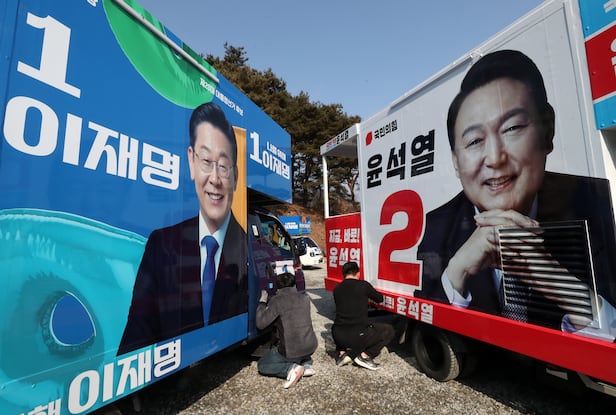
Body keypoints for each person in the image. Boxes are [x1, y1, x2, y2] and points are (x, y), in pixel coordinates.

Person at [416, 49, 616, 331]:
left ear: (547, 130)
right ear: (456, 163)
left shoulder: (599, 203)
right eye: (474, 141)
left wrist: (569, 290)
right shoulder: (438, 227)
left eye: (512, 128)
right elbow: (429, 316)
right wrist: (456, 274)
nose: (495, 158)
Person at [117, 102, 247, 355]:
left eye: (223, 166)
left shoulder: (247, 247)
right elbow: (135, 339)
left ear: (236, 176)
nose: (215, 179)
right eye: (206, 161)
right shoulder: (162, 245)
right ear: (191, 161)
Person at [255, 272, 318, 389]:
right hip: (311, 347)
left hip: (291, 351)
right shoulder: (305, 299)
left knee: (263, 364)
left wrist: (262, 302)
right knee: (301, 350)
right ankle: (306, 365)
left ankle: (291, 369)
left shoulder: (277, 300)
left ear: (278, 287)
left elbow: (261, 324)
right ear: (294, 285)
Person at [332, 261, 395, 370]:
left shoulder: (336, 289)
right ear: (358, 273)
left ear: (344, 274)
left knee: (342, 324)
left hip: (337, 335)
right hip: (357, 336)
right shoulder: (363, 285)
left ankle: (342, 354)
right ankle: (364, 356)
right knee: (389, 330)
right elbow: (379, 299)